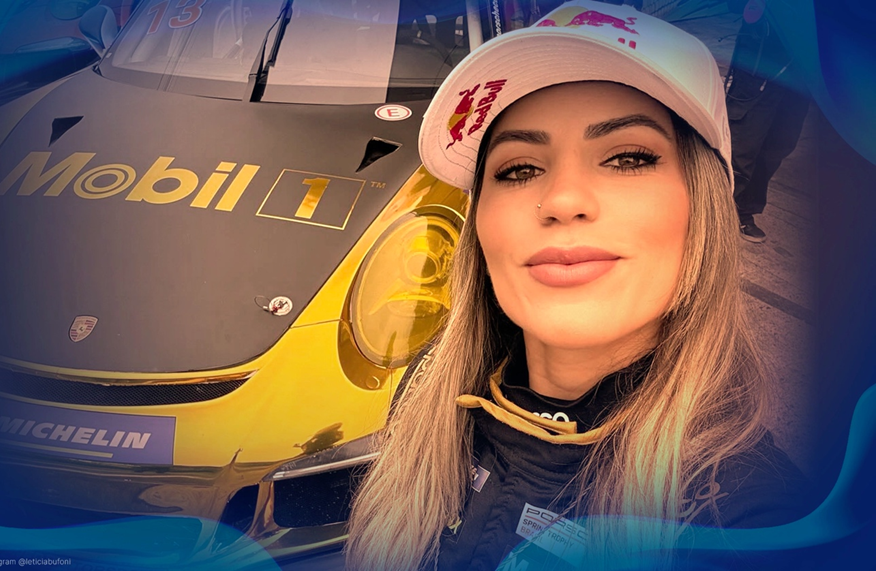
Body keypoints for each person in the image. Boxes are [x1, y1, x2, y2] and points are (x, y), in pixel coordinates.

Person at [345, 1, 806, 570]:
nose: (562, 200)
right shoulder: (422, 400)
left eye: (629, 158)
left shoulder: (755, 523)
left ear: (702, 208)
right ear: (480, 225)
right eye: (519, 169)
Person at [725, 0, 811, 243]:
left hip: (801, 77)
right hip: (760, 65)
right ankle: (717, 210)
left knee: (779, 145)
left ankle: (743, 210)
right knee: (742, 144)